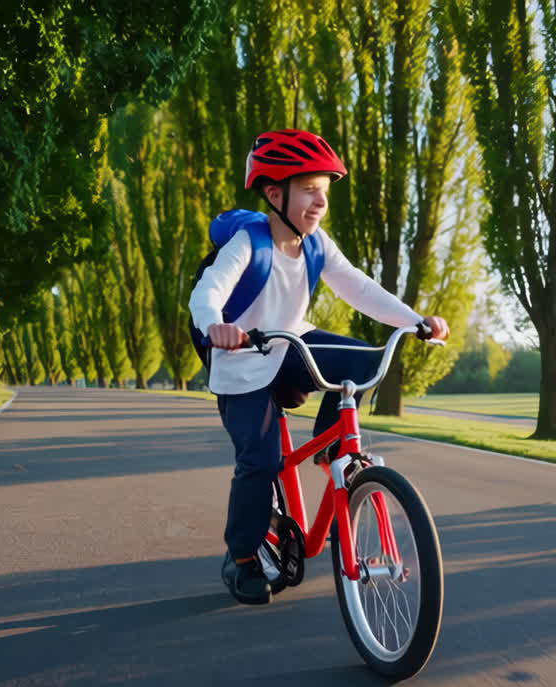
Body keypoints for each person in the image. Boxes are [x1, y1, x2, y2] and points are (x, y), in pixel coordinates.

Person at [188, 129, 449, 605]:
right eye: (309, 189)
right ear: (274, 193)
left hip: (290, 344)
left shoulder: (315, 244)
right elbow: (207, 293)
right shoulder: (249, 242)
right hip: (243, 363)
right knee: (260, 462)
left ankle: (334, 451)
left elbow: (358, 287)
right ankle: (241, 558)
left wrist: (415, 321)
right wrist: (214, 326)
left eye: (324, 191)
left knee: (364, 358)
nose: (319, 201)